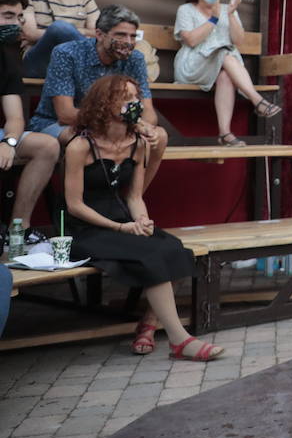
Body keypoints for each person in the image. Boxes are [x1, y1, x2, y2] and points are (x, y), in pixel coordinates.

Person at [64, 75, 222, 360]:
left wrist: (142, 221)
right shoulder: (80, 146)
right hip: (86, 229)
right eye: (125, 98)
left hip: (122, 221)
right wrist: (121, 227)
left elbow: (135, 197)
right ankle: (180, 340)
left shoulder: (137, 143)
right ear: (104, 104)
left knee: (175, 249)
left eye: (135, 97)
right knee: (151, 255)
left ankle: (148, 325)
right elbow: (74, 205)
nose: (134, 104)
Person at [28, 5, 168, 186]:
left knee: (160, 136)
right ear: (100, 34)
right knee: (82, 140)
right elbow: (65, 114)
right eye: (120, 35)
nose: (128, 42)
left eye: (133, 36)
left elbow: (148, 112)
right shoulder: (67, 53)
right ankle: (71, 203)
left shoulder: (136, 59)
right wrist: (121, 123)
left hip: (113, 125)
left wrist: (147, 127)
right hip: (56, 123)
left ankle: (130, 201)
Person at [173, 0, 282, 147]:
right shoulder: (186, 10)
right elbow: (191, 41)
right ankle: (257, 101)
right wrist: (213, 19)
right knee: (225, 52)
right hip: (192, 66)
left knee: (225, 75)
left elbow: (238, 41)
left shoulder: (227, 10)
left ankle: (225, 133)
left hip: (223, 64)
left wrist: (230, 15)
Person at [0, 0, 61, 244]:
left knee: (47, 145)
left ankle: (18, 230)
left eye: (18, 18)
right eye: (7, 16)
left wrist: (9, 142)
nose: (15, 24)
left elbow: (15, 117)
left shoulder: (5, 59)